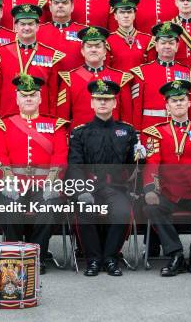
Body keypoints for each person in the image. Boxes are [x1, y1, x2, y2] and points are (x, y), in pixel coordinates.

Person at [0, 73, 69, 274]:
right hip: (14, 183)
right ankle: (14, 255)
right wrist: (7, 182)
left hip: (44, 183)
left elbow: (60, 155)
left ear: (40, 98)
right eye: (24, 95)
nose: (28, 99)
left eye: (33, 95)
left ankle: (37, 256)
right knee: (8, 206)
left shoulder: (55, 125)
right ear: (16, 98)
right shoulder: (4, 125)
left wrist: (51, 183)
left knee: (49, 206)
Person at [142, 80, 191, 277]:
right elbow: (153, 163)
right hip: (169, 193)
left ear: (189, 103)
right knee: (151, 206)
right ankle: (175, 254)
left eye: (182, 100)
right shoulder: (156, 132)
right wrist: (151, 189)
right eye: (173, 101)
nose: (178, 104)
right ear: (167, 106)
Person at [68, 79, 144, 277]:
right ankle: (93, 259)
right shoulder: (80, 132)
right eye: (98, 99)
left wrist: (140, 158)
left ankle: (111, 258)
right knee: (84, 211)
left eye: (107, 99)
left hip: (117, 188)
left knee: (121, 212)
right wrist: (81, 190)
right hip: (89, 188)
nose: (103, 103)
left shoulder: (127, 131)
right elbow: (75, 166)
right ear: (92, 103)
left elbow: (133, 166)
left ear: (114, 103)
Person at [0, 3, 65, 118]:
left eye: (30, 24)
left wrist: (52, 119)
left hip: (40, 119)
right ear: (15, 27)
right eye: (22, 24)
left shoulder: (52, 56)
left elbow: (53, 95)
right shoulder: (0, 53)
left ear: (38, 26)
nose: (26, 28)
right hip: (9, 118)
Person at [56, 26, 133, 129]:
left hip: (113, 140)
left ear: (105, 51)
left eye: (97, 46)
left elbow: (127, 118)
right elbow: (63, 118)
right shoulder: (69, 78)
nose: (93, 50)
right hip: (81, 141)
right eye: (89, 46)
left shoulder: (120, 78)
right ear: (82, 51)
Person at [130, 21, 191, 131]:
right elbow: (136, 107)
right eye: (163, 43)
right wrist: (138, 133)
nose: (167, 46)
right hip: (151, 129)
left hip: (181, 130)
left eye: (171, 43)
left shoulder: (188, 72)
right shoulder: (142, 72)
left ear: (177, 46)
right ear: (156, 46)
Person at [37, 0, 87, 72]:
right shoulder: (38, 31)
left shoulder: (84, 32)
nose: (60, 6)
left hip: (75, 82)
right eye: (56, 3)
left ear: (72, 6)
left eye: (65, 3)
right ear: (50, 7)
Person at [106, 0, 156, 73]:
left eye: (129, 12)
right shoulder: (107, 41)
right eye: (122, 12)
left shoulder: (148, 40)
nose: (126, 16)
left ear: (134, 15)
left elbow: (151, 71)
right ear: (115, 16)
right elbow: (106, 71)